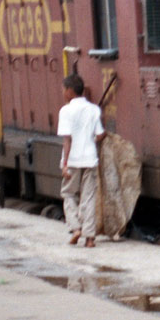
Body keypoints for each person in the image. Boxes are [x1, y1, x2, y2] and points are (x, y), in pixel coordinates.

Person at [57, 73, 105, 247]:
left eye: (63, 89)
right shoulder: (94, 109)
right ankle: (90, 238)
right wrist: (90, 141)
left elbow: (67, 140)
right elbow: (100, 134)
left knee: (68, 194)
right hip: (90, 158)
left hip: (73, 160)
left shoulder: (65, 111)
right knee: (89, 197)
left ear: (70, 91)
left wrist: (65, 164)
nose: (62, 92)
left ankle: (76, 227)